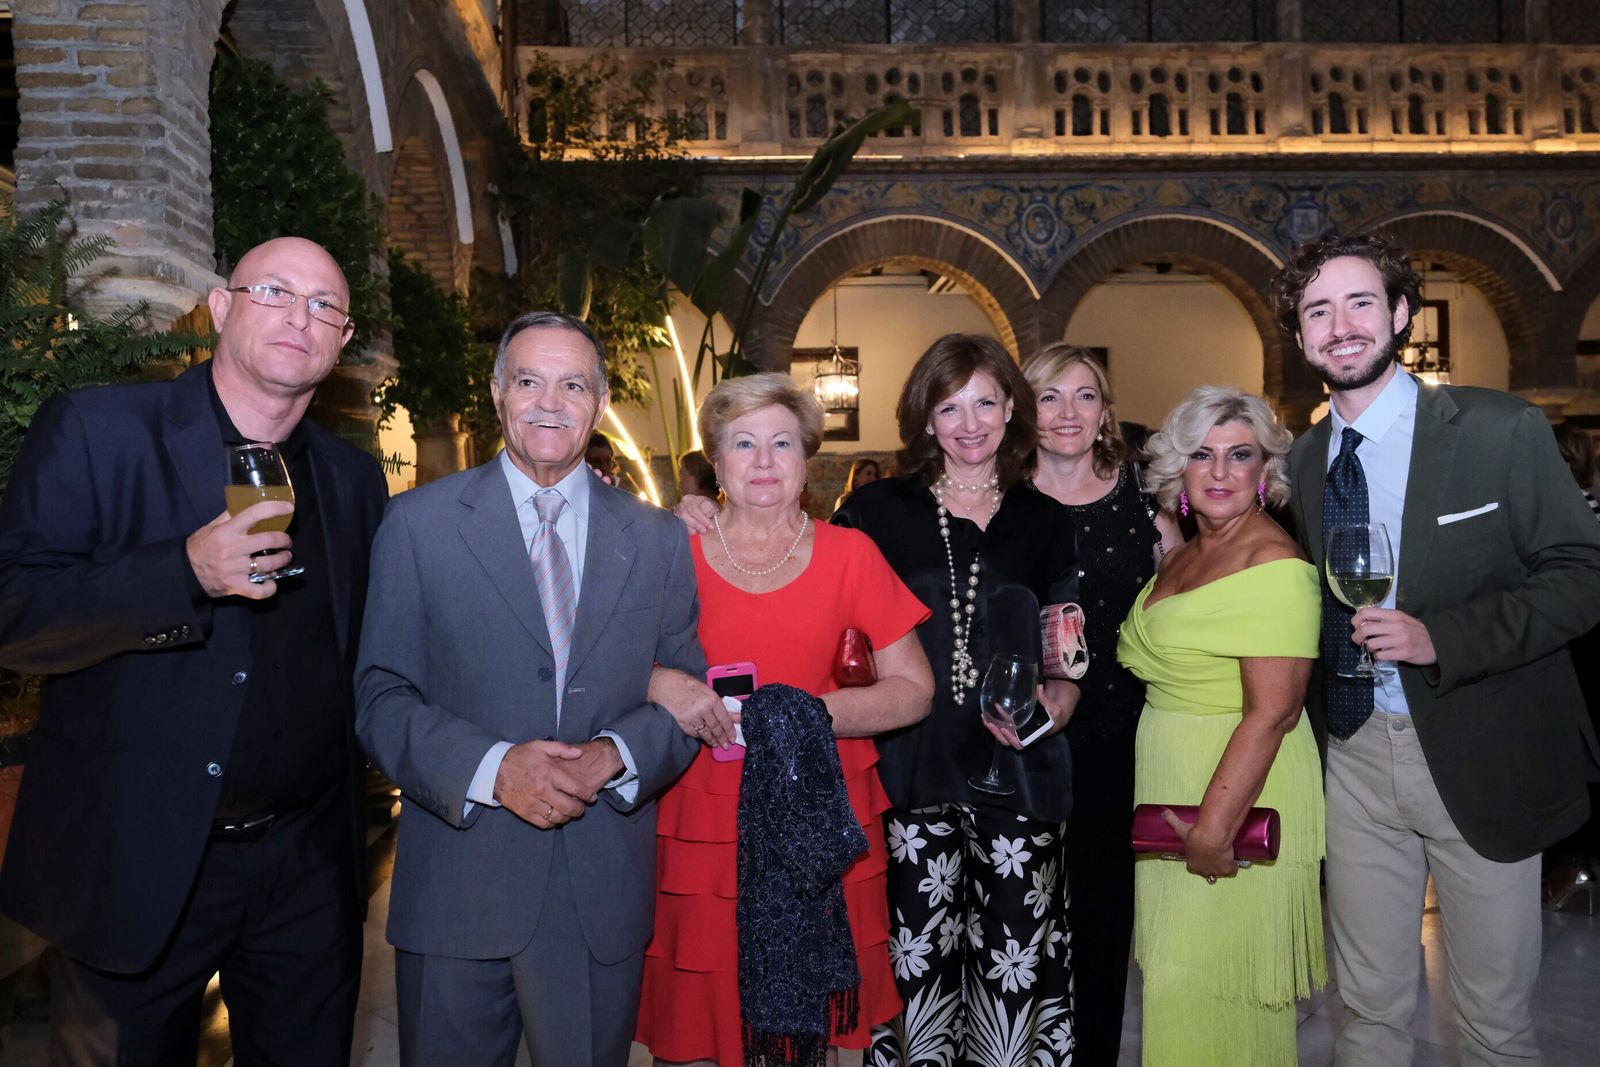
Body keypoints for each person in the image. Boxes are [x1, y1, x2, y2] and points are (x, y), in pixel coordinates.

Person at [0, 236, 388, 1064]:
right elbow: (16, 612)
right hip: (136, 862)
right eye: (276, 291)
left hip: (306, 870)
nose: (300, 316)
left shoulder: (353, 482)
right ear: (220, 307)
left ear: (342, 342)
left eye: (325, 306)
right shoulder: (100, 433)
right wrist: (182, 572)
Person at [1273, 231, 1600, 1065]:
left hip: (1477, 747)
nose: (1340, 324)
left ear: (1401, 315)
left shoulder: (1499, 429)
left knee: (1493, 1021)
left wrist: (1439, 637)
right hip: (1351, 759)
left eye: (1359, 302)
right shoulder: (1307, 460)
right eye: (1318, 309)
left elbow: (1581, 574)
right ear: (1301, 336)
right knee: (1367, 1013)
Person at [354, 311, 714, 1067]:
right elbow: (381, 696)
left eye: (573, 384)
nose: (550, 402)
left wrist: (612, 756)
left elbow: (685, 696)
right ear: (496, 393)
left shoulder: (655, 539)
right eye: (529, 380)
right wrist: (493, 767)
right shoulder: (416, 526)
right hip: (457, 886)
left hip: (595, 893)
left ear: (601, 399)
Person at [634, 373, 935, 1066]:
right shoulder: (667, 551)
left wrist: (798, 715)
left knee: (805, 1036)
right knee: (697, 1025)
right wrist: (661, 681)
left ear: (807, 459)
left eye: (782, 442)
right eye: (744, 442)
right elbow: (604, 667)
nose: (764, 460)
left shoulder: (848, 553)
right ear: (717, 459)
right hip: (699, 822)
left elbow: (914, 690)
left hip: (817, 818)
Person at [835, 335, 1081, 1066]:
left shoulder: (1045, 518)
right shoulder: (876, 511)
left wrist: (1052, 710)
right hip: (911, 774)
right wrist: (698, 514)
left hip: (1019, 782)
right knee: (913, 971)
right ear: (925, 416)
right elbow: (806, 579)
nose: (968, 423)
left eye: (984, 401)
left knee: (1015, 964)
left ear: (1011, 407)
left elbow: (1066, 659)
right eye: (949, 406)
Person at [1116, 386, 1325, 1065]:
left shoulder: (1273, 563)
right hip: (1172, 787)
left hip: (1234, 796)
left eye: (1241, 454)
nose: (1220, 471)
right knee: (1178, 988)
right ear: (1178, 467)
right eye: (1201, 453)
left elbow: (1275, 711)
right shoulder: (1180, 555)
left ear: (1266, 470)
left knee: (1224, 990)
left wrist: (1212, 827)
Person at [1021, 344, 1181, 1065]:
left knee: (1103, 922)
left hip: (1123, 741)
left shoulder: (1143, 499)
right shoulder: (994, 498)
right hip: (1018, 743)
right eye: (1050, 396)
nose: (1068, 413)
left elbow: (1186, 596)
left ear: (1106, 410)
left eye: (1085, 396)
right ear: (1025, 408)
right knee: (1018, 925)